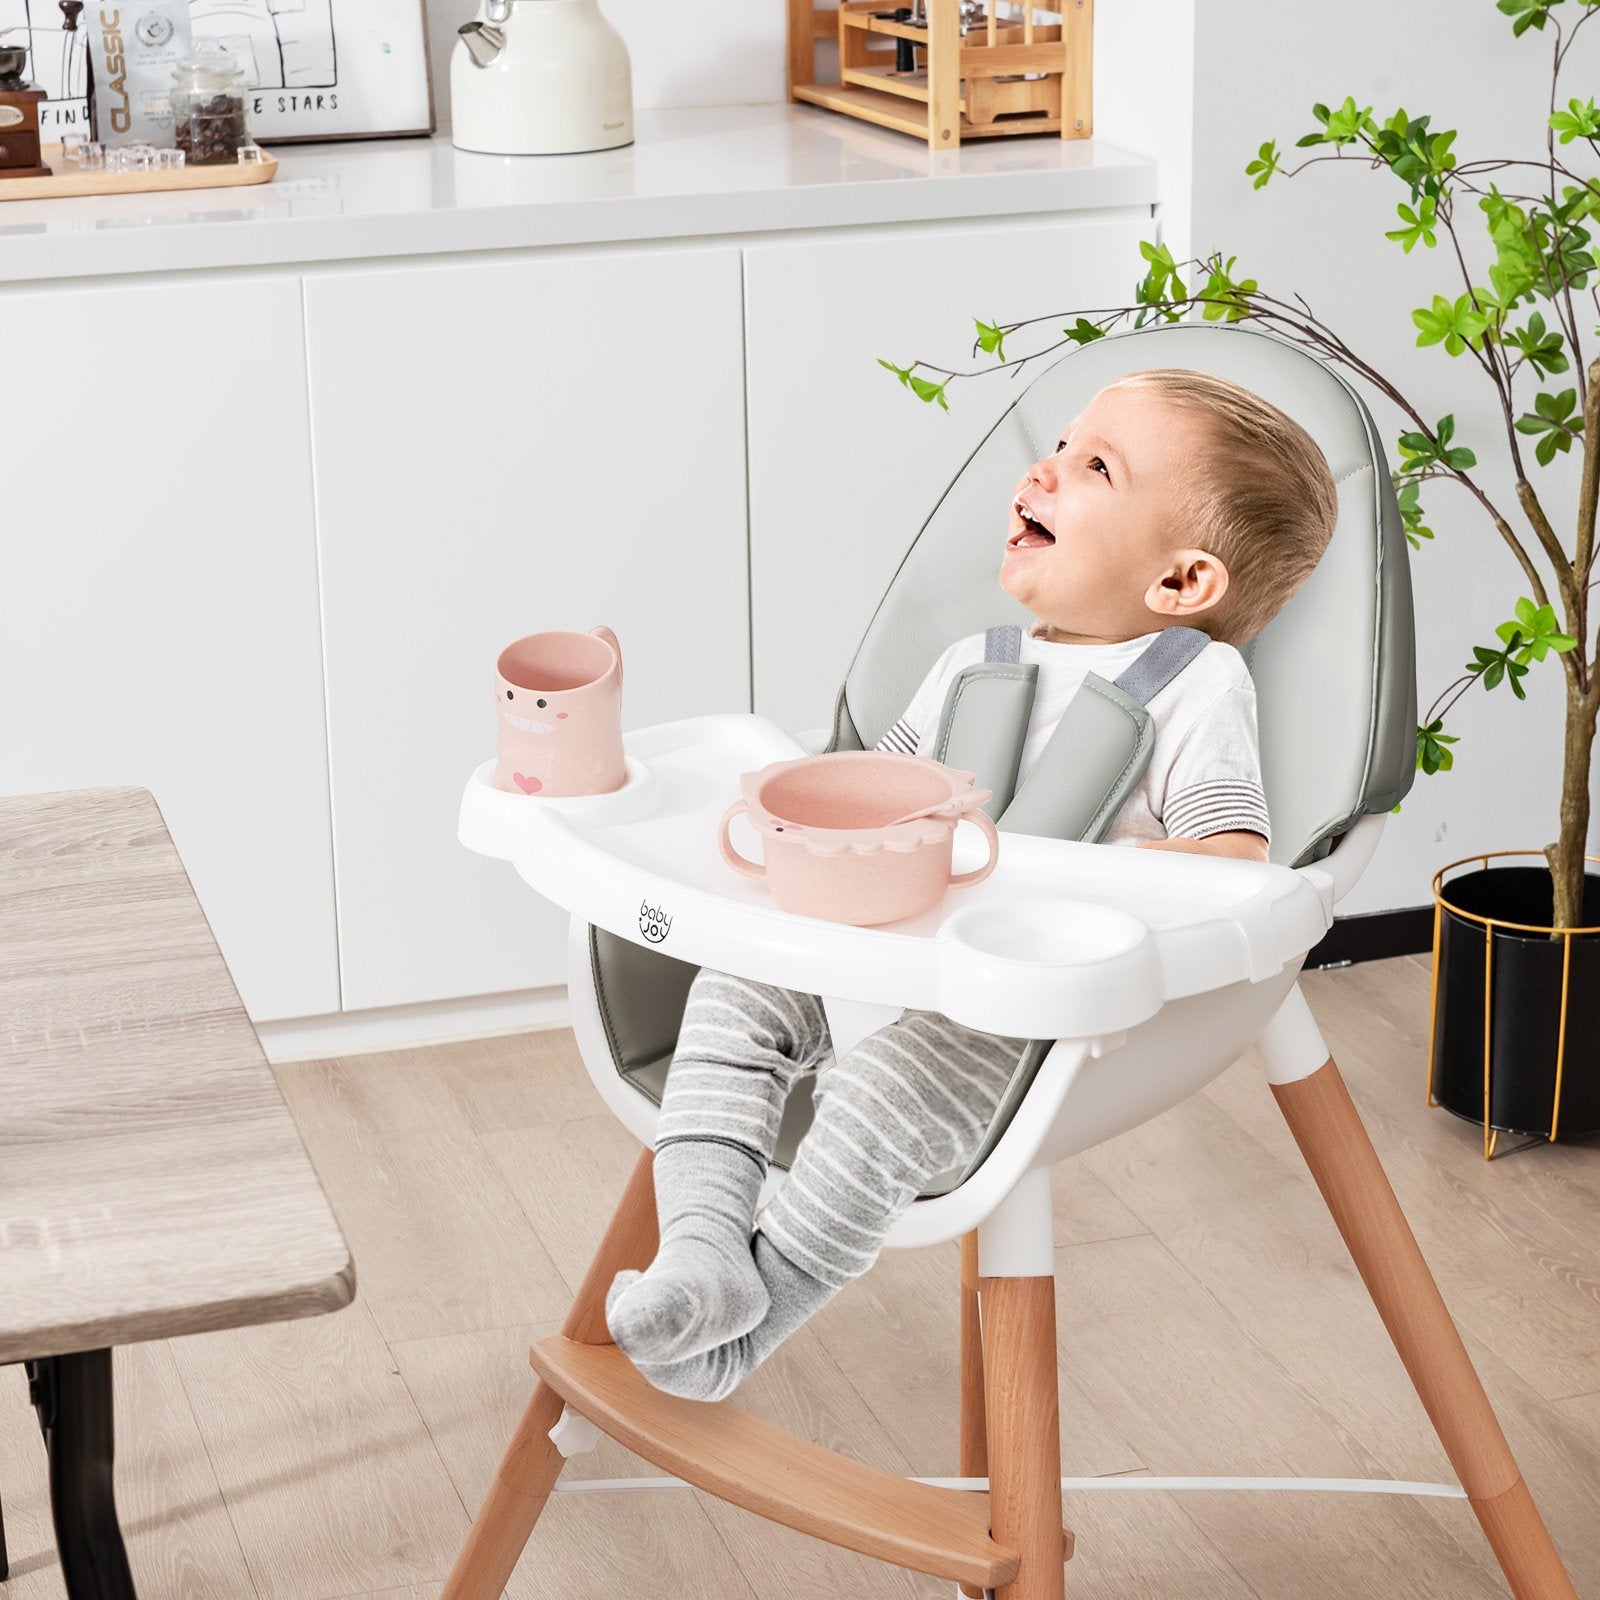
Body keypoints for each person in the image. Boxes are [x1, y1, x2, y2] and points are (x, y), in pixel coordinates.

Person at [603, 366, 1339, 1401]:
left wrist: (1070, 882)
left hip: (1019, 1011)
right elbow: (869, 792)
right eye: (1062, 443)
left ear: (1179, 584)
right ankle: (702, 1250)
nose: (1043, 469)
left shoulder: (1193, 685)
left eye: (1094, 465)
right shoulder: (969, 663)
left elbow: (1230, 865)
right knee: (727, 998)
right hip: (876, 944)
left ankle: (745, 1329)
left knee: (879, 1096)